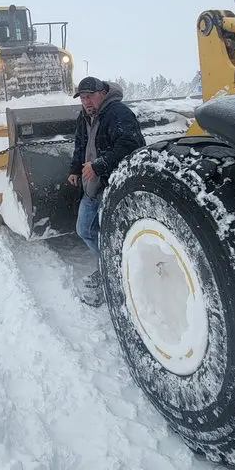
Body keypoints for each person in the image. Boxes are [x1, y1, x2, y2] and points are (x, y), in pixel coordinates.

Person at [67, 76, 145, 306]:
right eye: (82, 98)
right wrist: (75, 169)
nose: (86, 102)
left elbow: (130, 145)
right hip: (93, 184)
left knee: (105, 232)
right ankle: (111, 267)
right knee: (85, 229)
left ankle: (113, 274)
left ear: (103, 93)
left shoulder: (118, 113)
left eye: (90, 96)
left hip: (114, 185)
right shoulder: (85, 116)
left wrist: (98, 165)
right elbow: (80, 145)